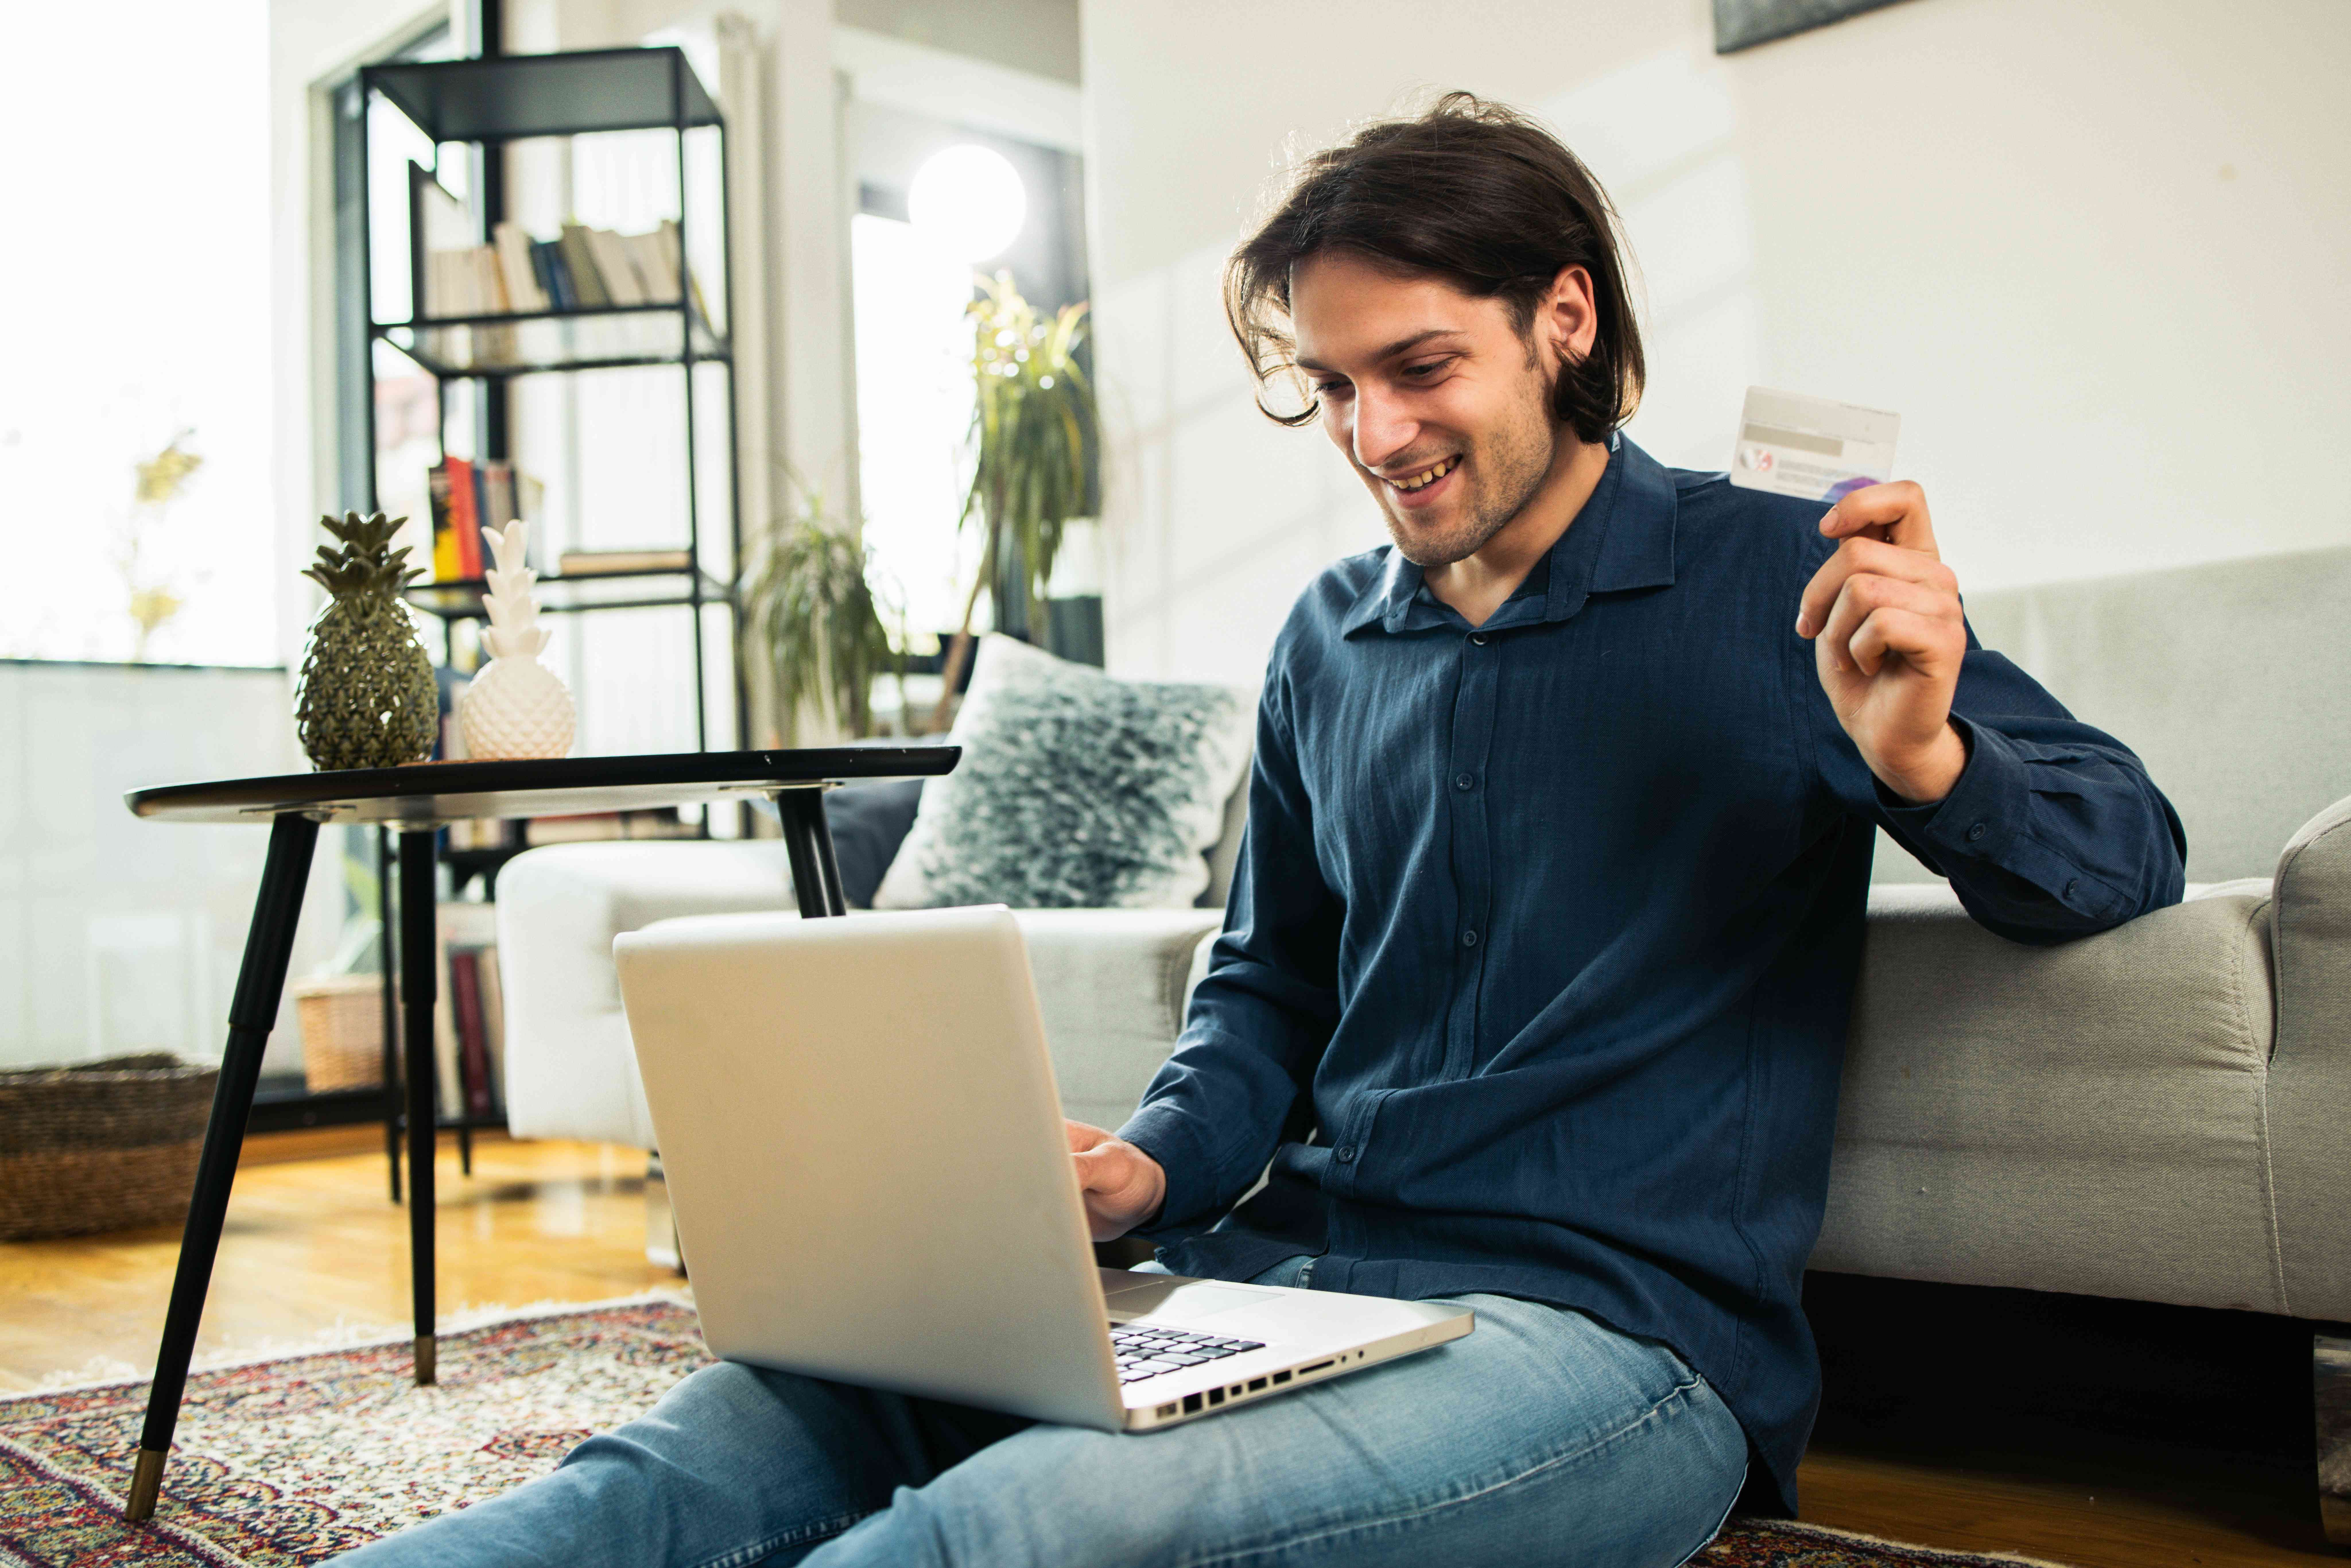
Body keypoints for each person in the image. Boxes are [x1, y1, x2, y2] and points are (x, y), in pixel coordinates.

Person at [338, 94, 2184, 1568]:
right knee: (700, 1446)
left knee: (1033, 1522)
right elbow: (1266, 996)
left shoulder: (1788, 582)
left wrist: (1932, 759)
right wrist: (1151, 1170)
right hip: (1280, 1277)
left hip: (1612, 1346)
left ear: (1567, 318)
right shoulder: (1327, 639)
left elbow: (2123, 854)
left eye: (1422, 366)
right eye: (1334, 383)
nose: (1375, 429)